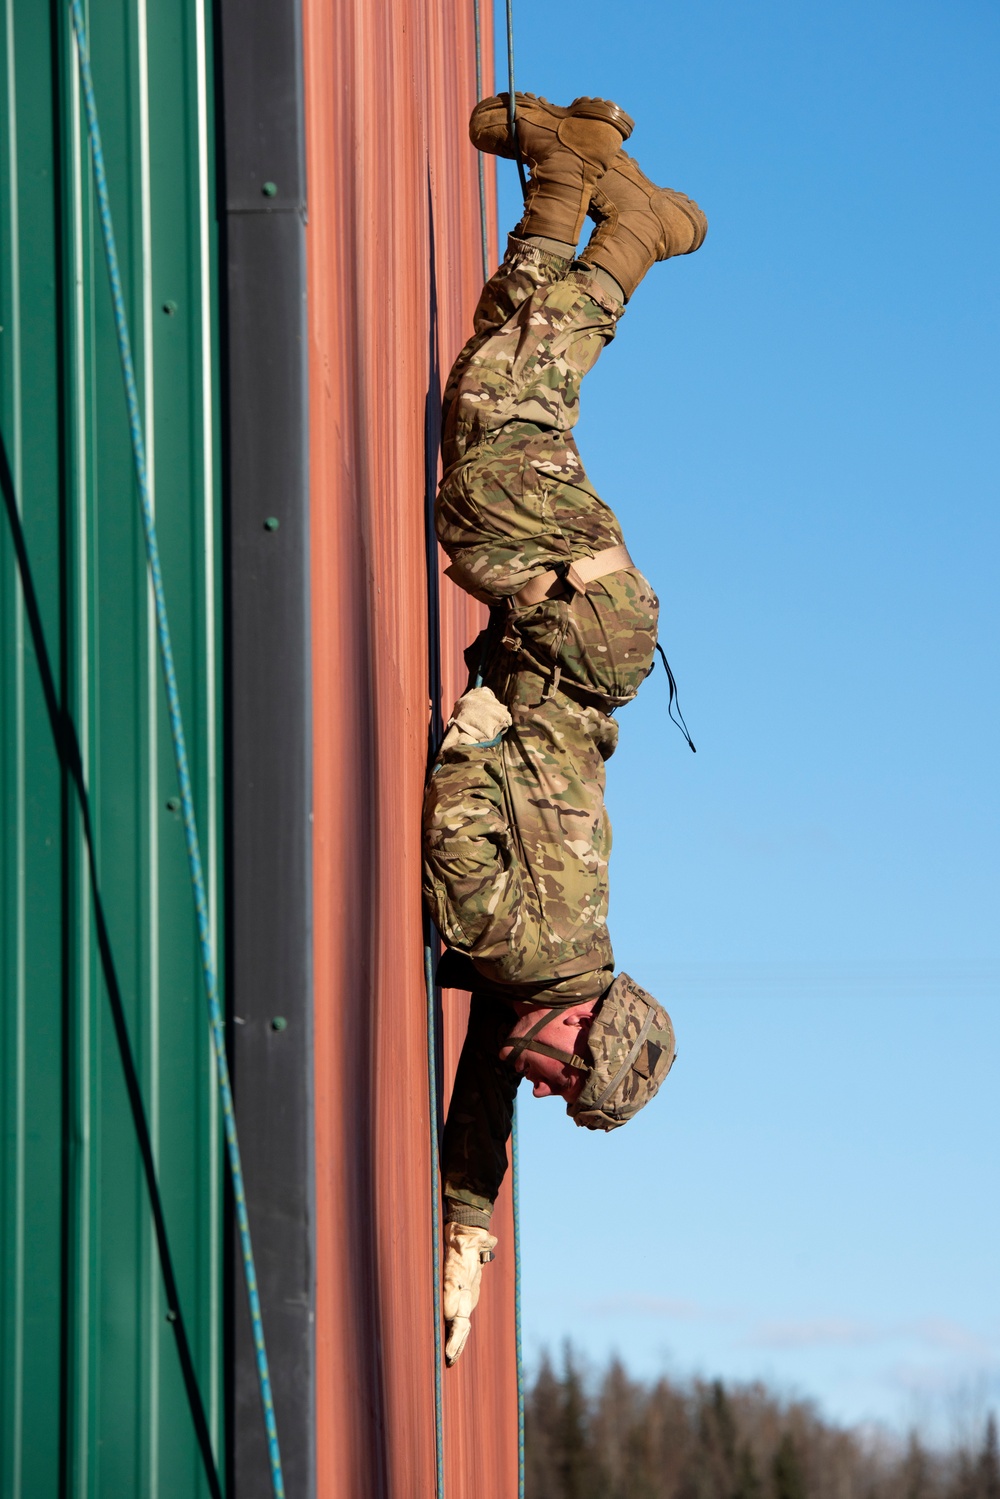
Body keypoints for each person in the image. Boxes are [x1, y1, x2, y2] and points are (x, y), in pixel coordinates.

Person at [422, 91, 706, 1363]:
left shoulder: (542, 979)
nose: (539, 1082)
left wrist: (464, 1231)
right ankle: (617, 223)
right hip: (566, 632)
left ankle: (581, 186)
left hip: (591, 646)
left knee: (513, 389)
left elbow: (484, 1089)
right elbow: (453, 816)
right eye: (562, 1077)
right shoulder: (514, 937)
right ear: (583, 1027)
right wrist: (473, 727)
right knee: (495, 426)